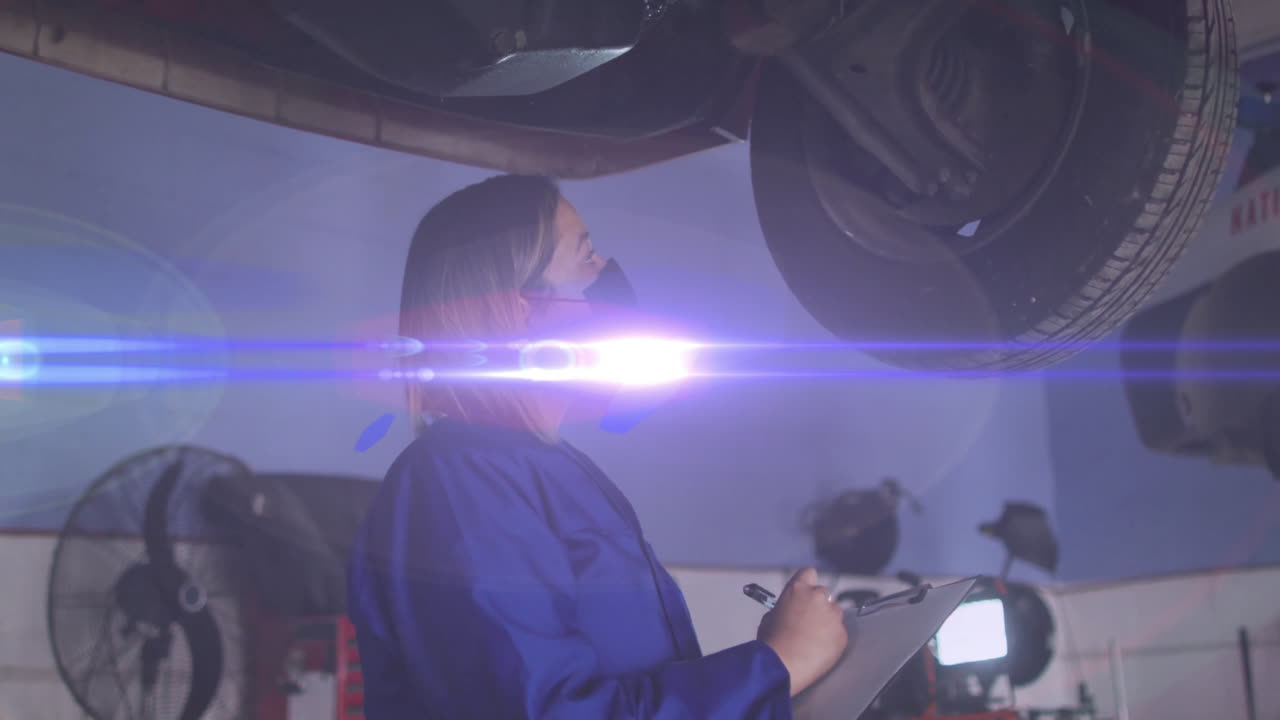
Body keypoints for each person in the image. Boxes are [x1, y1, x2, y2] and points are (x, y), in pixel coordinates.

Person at [346, 174, 848, 719]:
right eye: (585, 259)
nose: (609, 273)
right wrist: (779, 664)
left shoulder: (547, 469)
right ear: (517, 311)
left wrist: (778, 670)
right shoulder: (461, 484)